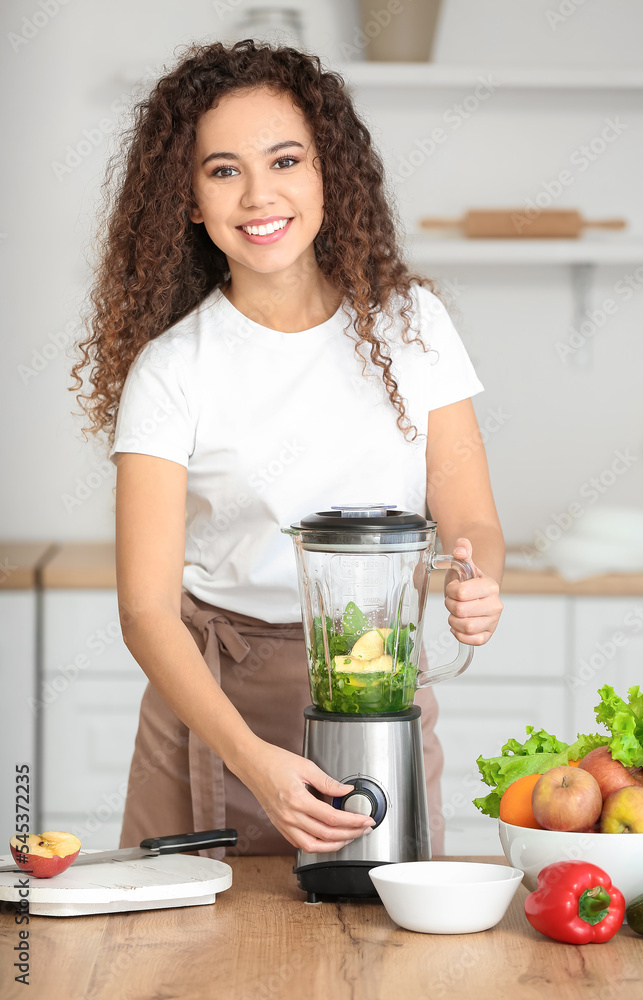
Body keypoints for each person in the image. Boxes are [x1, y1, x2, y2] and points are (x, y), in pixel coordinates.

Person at [71, 39, 505, 860]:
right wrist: (252, 761)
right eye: (223, 170)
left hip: (376, 689)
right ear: (189, 199)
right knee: (183, 977)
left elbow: (472, 522)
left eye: (285, 160)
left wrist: (477, 581)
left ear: (328, 175)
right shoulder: (170, 371)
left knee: (382, 966)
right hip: (211, 707)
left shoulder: (414, 328)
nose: (258, 194)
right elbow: (145, 610)